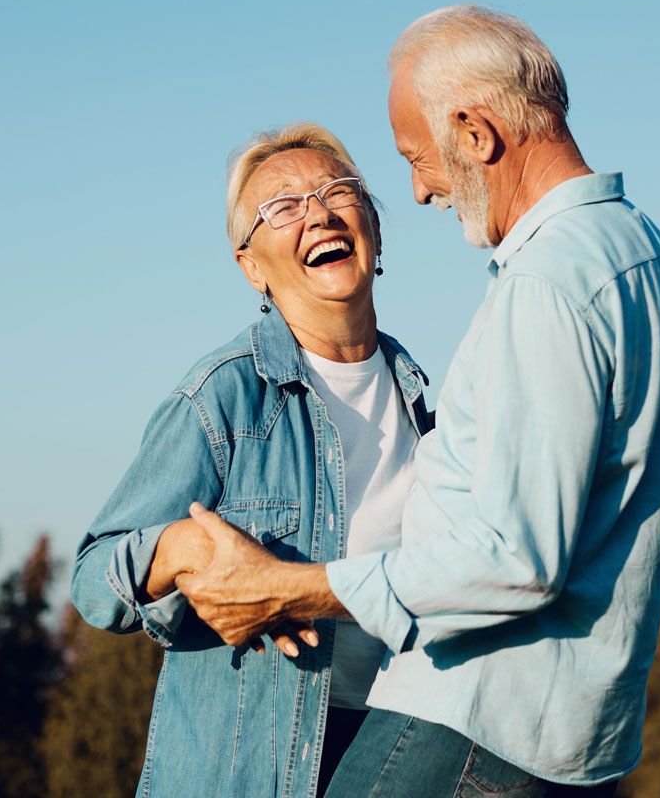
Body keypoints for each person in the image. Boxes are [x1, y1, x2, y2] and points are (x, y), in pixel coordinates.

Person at [175, 5, 660, 796]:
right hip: (585, 741)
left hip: (470, 722)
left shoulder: (543, 286)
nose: (418, 190)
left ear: (476, 134)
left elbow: (516, 560)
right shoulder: (646, 252)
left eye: (417, 157)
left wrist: (289, 587)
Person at [70, 123, 434, 797]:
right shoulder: (225, 395)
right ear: (251, 266)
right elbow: (94, 578)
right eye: (283, 207)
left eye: (338, 192)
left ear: (375, 229)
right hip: (251, 773)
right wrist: (179, 548)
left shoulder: (424, 399)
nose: (319, 213)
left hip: (392, 750)